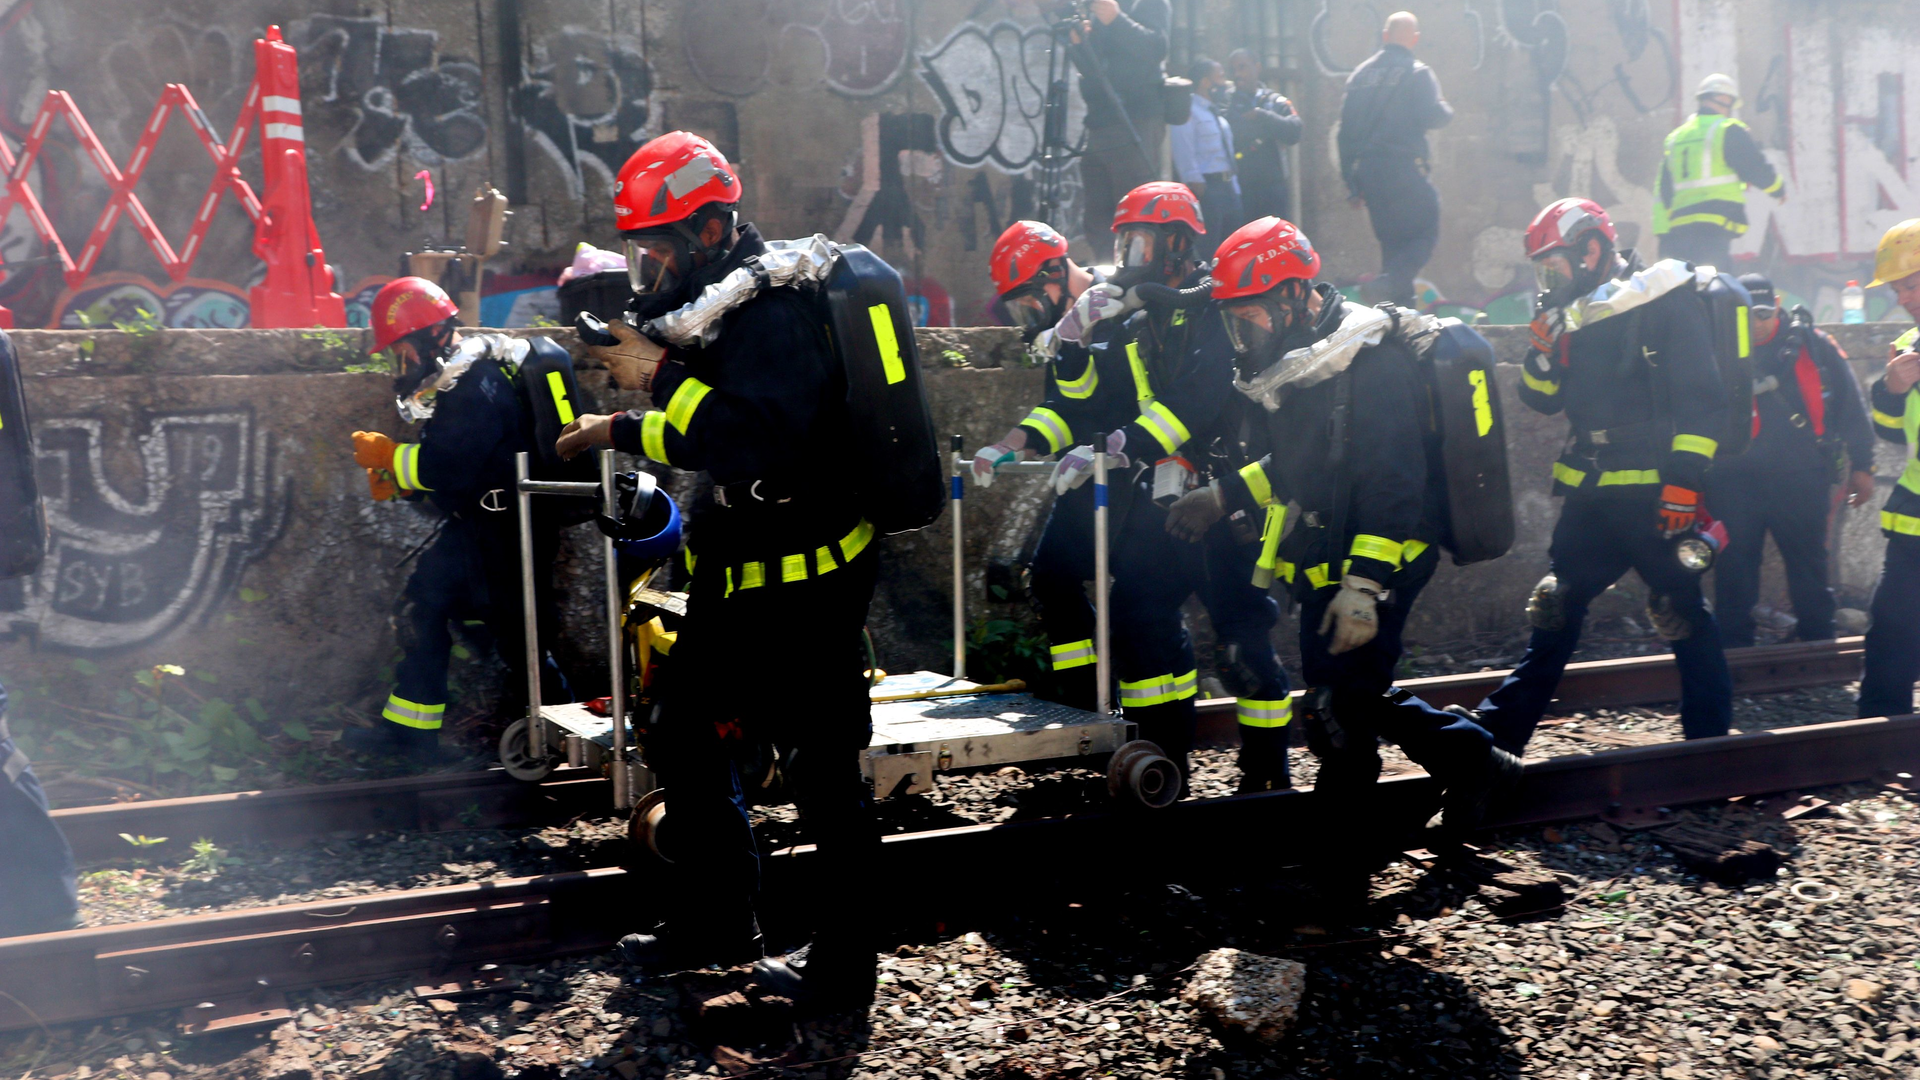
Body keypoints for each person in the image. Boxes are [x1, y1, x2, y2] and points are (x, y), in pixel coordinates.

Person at [554, 132, 880, 1012]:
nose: (647, 266)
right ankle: (719, 918)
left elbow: (752, 434)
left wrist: (646, 392)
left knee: (822, 774)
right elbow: (710, 433)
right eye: (639, 249)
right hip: (743, 576)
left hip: (810, 584)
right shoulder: (723, 310)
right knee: (679, 728)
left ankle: (844, 970)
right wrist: (633, 409)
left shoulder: (774, 312)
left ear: (708, 229)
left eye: (656, 246)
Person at [1164, 217, 1519, 860]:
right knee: (1346, 698)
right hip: (1329, 556)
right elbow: (1299, 465)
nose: (1242, 334)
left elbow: (1395, 489)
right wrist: (1223, 497)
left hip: (1385, 557)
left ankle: (1343, 857)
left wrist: (1363, 587)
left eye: (1250, 318)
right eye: (1233, 321)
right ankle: (1470, 761)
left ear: (1294, 297)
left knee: (1338, 703)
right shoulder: (1300, 369)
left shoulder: (1371, 365)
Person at [1053, 182, 1295, 792]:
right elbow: (1104, 396)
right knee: (1136, 613)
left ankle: (1267, 779)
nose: (1127, 253)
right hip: (1165, 500)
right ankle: (1162, 765)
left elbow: (1195, 401)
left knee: (1242, 641)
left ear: (1178, 244)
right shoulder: (1139, 318)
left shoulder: (1219, 303)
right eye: (1122, 240)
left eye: (1139, 240)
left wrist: (1121, 446)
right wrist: (1073, 344)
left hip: (1225, 502)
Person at [1470, 198, 1733, 754]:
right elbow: (1543, 401)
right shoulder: (1574, 313)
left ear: (1591, 249)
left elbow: (1705, 402)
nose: (1548, 278)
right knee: (1555, 605)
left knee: (1678, 608)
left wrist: (1685, 483)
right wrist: (1539, 355)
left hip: (1658, 494)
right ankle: (1493, 741)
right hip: (1594, 491)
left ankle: (1710, 752)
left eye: (1553, 264)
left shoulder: (1662, 298)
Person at [345, 278, 573, 763]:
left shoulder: (476, 385)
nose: (400, 365)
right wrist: (401, 479)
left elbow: (446, 466)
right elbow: (455, 471)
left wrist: (390, 459)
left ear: (429, 338)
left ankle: (569, 735)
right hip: (478, 527)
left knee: (519, 639)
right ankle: (410, 736)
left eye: (401, 352)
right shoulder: (459, 379)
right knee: (423, 606)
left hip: (506, 533)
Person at [971, 221, 1124, 710]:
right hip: (1085, 471)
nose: (1029, 316)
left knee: (1142, 597)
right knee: (1054, 577)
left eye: (1030, 301)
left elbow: (1126, 400)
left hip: (1132, 470)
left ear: (1056, 271)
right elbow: (1061, 406)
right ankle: (1083, 699)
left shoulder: (1116, 305)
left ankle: (1120, 703)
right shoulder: (1065, 325)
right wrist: (1008, 446)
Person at [1707, 273, 1875, 647]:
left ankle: (1819, 643)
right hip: (1733, 479)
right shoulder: (1715, 347)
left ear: (1778, 305)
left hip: (1800, 477)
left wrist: (1863, 466)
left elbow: (1850, 406)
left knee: (1809, 566)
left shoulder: (1813, 346)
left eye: (1763, 313)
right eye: (1747, 315)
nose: (1755, 324)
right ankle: (1732, 652)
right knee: (1734, 568)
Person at [1337, 10, 1452, 309]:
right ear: (1414, 40)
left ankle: (1398, 317)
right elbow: (1433, 115)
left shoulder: (1359, 76)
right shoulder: (1417, 72)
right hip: (1403, 170)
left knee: (1393, 246)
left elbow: (1344, 134)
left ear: (1385, 36)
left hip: (1369, 174)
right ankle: (1386, 286)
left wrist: (1352, 183)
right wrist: (1445, 109)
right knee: (1426, 229)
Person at [1858, 218, 1920, 718]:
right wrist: (1890, 391)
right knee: (1892, 625)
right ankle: (1878, 734)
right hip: (1913, 518)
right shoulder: (1908, 346)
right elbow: (1890, 432)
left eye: (1912, 283)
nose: (1903, 296)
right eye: (1898, 288)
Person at [1653, 74, 1785, 271]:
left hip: (1680, 227)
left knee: (1687, 285)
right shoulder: (1726, 129)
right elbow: (1753, 165)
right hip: (1713, 224)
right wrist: (1777, 188)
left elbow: (1665, 187)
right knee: (1717, 282)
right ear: (1725, 100)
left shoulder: (1675, 137)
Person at [1067, 0, 1171, 246]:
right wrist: (1079, 45)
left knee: (1135, 212)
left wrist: (1116, 18)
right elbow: (1093, 69)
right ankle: (1107, 277)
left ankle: (1140, 277)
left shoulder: (1147, 5)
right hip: (1099, 123)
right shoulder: (1100, 9)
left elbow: (1156, 48)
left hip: (1136, 121)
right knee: (1098, 215)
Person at [1168, 57, 1242, 258]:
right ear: (1205, 82)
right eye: (1220, 77)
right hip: (1208, 189)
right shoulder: (1188, 111)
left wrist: (1234, 187)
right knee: (1208, 250)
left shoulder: (1216, 113)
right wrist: (1194, 181)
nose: (1225, 83)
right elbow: (1183, 148)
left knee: (1232, 248)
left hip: (1228, 188)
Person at [1225, 49, 1303, 224]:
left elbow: (1294, 131)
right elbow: (1236, 132)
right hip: (1239, 188)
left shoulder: (1275, 101)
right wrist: (1268, 129)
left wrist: (1263, 116)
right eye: (1233, 70)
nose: (1238, 74)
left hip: (1272, 187)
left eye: (1242, 67)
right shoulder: (1226, 102)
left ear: (1257, 67)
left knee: (1276, 241)